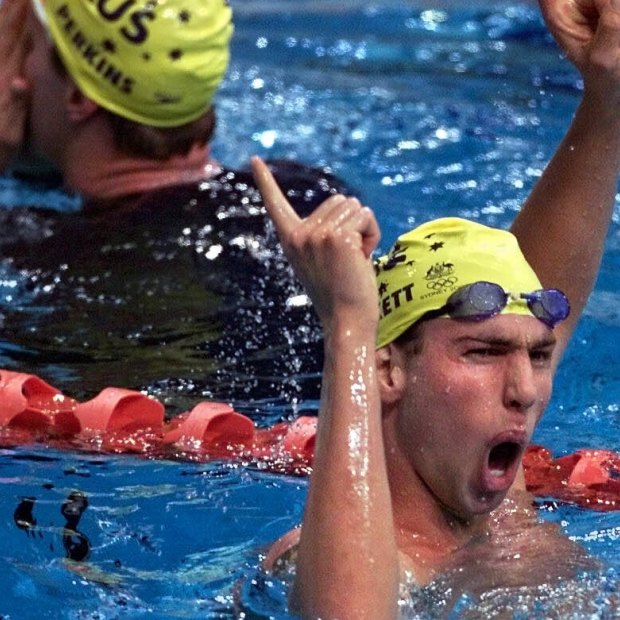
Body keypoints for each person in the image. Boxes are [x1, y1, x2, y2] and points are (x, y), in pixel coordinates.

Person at [250, 0, 620, 615]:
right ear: (389, 371)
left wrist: (607, 102)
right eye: (483, 352)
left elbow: (538, 295)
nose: (525, 391)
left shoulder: (503, 517)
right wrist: (347, 327)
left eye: (539, 356)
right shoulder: (317, 561)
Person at [0, 0, 345, 404]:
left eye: (30, 49)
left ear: (77, 96)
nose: (17, 76)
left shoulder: (41, 253)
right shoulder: (309, 196)